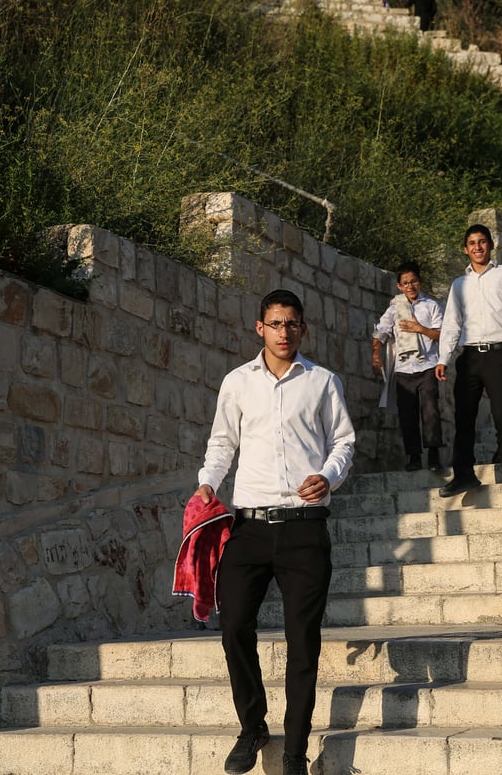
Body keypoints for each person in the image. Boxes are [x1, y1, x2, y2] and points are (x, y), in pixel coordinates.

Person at [196, 289, 356, 775]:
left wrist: (328, 476)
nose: (283, 331)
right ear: (259, 328)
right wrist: (207, 485)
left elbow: (344, 441)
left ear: (302, 329)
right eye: (275, 323)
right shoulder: (237, 382)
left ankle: (294, 753)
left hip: (306, 530)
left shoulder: (323, 382)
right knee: (233, 627)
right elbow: (222, 440)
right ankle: (253, 726)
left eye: (292, 323)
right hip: (248, 529)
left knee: (302, 640)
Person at [436, 224, 502, 498]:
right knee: (464, 416)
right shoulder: (459, 284)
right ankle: (464, 475)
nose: (478, 247)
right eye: (472, 243)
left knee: (501, 411)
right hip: (469, 356)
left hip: (499, 353)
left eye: (482, 242)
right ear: (465, 249)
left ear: (491, 246)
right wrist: (443, 359)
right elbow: (451, 324)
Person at [372, 262, 445, 473]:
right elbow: (380, 333)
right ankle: (413, 457)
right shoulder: (394, 309)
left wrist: (419, 328)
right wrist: (375, 355)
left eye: (413, 281)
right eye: (405, 283)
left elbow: (441, 334)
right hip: (404, 369)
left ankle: (433, 455)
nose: (410, 286)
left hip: (428, 365)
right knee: (407, 415)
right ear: (399, 286)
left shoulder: (431, 306)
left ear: (419, 282)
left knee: (430, 411)